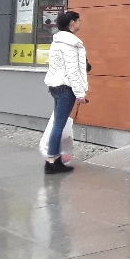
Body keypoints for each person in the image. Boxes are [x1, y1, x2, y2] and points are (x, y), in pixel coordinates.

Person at [42, 11, 89, 174]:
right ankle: (52, 161)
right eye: (78, 20)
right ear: (72, 22)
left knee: (58, 124)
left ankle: (55, 159)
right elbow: (72, 71)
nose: (80, 23)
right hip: (65, 88)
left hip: (56, 86)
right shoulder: (70, 43)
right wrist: (80, 93)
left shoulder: (58, 40)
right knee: (59, 125)